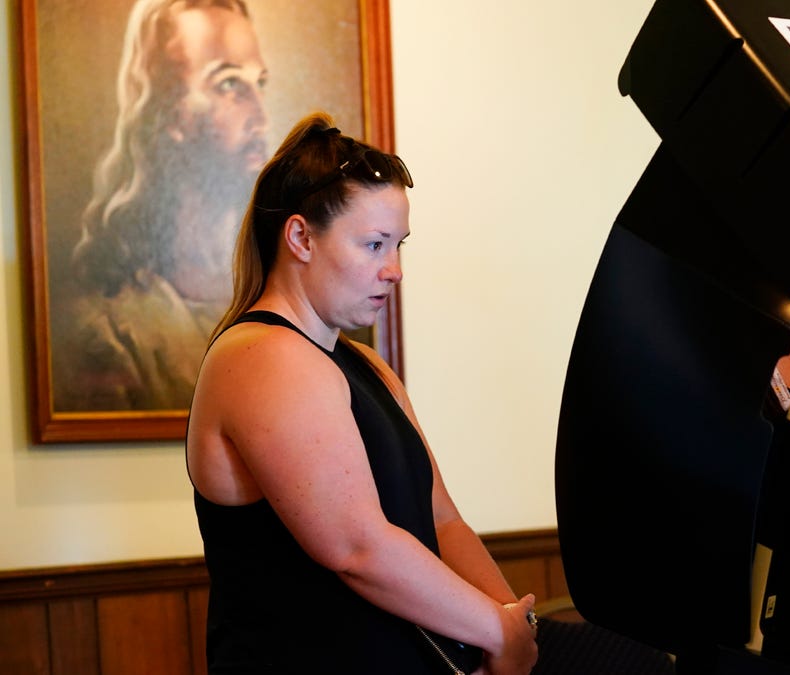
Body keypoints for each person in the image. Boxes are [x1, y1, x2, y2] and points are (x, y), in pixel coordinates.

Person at [186, 112, 538, 674]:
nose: (395, 270)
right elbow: (358, 549)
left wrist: (513, 625)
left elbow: (441, 519)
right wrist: (496, 631)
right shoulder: (259, 356)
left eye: (399, 245)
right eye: (374, 245)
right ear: (301, 237)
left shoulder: (368, 365)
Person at [54, 0, 269, 411]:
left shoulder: (277, 295)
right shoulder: (112, 328)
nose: (260, 115)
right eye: (228, 84)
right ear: (169, 113)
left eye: (260, 83)